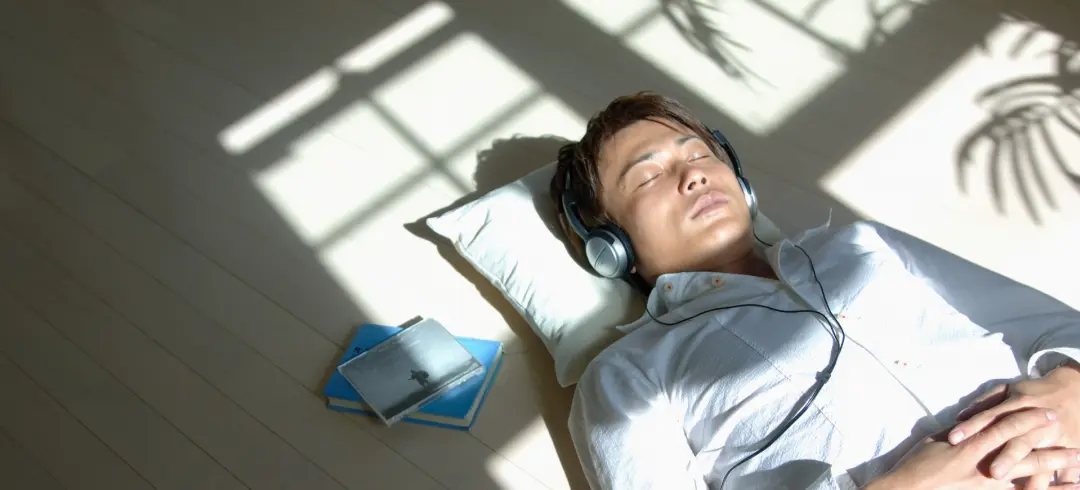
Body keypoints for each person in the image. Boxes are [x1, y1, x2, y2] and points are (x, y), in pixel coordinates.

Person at [551, 91, 1080, 489]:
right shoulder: (627, 375)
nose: (695, 177)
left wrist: (1070, 388)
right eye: (649, 177)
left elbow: (1054, 325)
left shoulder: (862, 244)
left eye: (700, 155)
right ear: (611, 244)